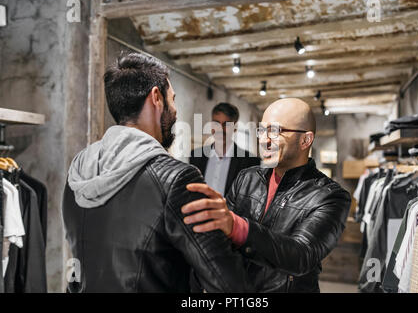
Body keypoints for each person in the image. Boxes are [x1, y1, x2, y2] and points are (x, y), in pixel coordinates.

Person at [62, 53, 251, 293]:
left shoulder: (77, 175)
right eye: (173, 99)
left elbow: (77, 277)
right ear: (156, 97)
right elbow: (228, 286)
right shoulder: (177, 180)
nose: (175, 110)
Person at [182, 98, 351, 293]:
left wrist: (237, 227)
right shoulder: (247, 178)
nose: (264, 140)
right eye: (262, 130)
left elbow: (301, 255)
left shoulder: (330, 196)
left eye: (275, 131)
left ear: (306, 140)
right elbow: (220, 241)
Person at [189, 102, 260, 197]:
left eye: (226, 124)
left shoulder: (250, 162)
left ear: (235, 127)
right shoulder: (195, 156)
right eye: (216, 123)